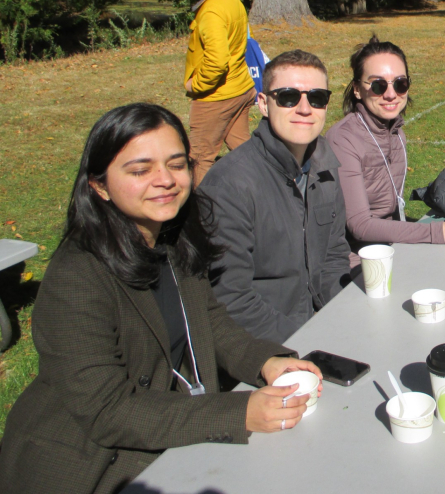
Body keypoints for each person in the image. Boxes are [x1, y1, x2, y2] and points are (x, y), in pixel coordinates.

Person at [0, 104, 322, 494]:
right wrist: (239, 412)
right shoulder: (77, 277)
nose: (165, 180)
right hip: (90, 464)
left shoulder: (172, 239)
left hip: (166, 429)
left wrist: (264, 361)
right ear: (99, 186)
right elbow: (107, 409)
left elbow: (210, 321)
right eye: (140, 170)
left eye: (176, 164)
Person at [200, 49, 351, 344]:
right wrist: (307, 343)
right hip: (267, 346)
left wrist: (345, 316)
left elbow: (334, 257)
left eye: (317, 97)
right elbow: (231, 299)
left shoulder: (325, 166)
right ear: (263, 104)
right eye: (288, 97)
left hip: (321, 326)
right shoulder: (229, 186)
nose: (305, 108)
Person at [326, 36, 445, 262]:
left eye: (400, 83)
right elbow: (360, 226)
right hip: (355, 257)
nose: (391, 94)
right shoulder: (343, 140)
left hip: (392, 245)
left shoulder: (396, 133)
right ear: (357, 89)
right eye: (378, 85)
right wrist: (437, 233)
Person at [185, 0, 257, 185]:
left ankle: (202, 206)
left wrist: (197, 85)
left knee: (199, 158)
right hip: (240, 89)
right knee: (244, 150)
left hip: (216, 97)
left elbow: (216, 62)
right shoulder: (232, 0)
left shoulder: (212, 10)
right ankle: (263, 190)